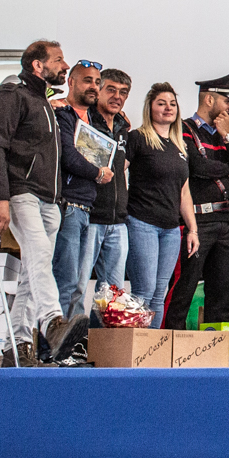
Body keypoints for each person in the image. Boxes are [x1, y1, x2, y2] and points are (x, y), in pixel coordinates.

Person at [0, 39, 89, 365]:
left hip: (50, 200)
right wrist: (1, 198)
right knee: (39, 256)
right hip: (22, 193)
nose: (65, 66)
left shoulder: (46, 103)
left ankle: (16, 346)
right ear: (37, 66)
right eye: (58, 60)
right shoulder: (13, 95)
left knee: (32, 274)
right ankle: (53, 323)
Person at [165, 73, 229, 330]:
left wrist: (228, 137)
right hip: (197, 220)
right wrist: (227, 168)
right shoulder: (183, 129)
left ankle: (214, 347)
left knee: (222, 292)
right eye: (227, 101)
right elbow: (196, 167)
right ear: (210, 100)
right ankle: (172, 340)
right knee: (185, 287)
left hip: (227, 221)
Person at [124, 83, 199, 325]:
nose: (168, 108)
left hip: (171, 230)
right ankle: (136, 345)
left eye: (172, 104)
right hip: (142, 223)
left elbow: (184, 192)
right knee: (144, 291)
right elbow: (116, 172)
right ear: (150, 108)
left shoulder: (180, 146)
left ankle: (153, 344)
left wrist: (192, 229)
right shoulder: (138, 138)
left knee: (159, 293)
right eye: (161, 103)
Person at [53, 60, 113, 321]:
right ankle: (54, 341)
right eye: (87, 80)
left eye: (97, 82)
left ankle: (71, 339)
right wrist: (98, 173)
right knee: (65, 281)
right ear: (71, 82)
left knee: (78, 285)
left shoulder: (96, 121)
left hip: (88, 209)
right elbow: (68, 156)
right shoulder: (62, 114)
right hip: (68, 206)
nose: (93, 86)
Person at [82, 69, 134, 294]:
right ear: (98, 91)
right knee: (78, 285)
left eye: (123, 92)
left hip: (118, 221)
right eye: (111, 90)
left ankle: (104, 322)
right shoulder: (85, 120)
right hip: (90, 217)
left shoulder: (123, 128)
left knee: (114, 293)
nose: (117, 97)